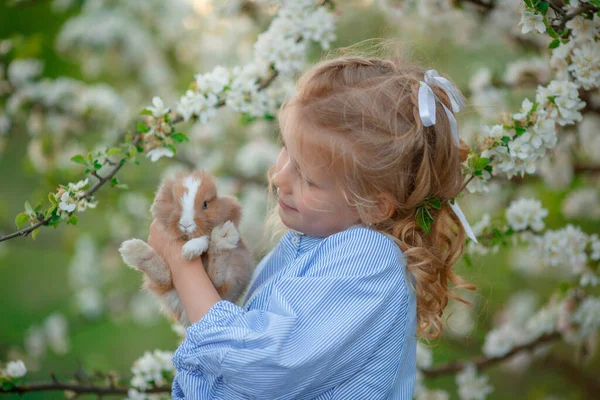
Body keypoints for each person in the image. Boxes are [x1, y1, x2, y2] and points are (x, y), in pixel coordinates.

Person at [147, 50, 477, 399]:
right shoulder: (321, 242)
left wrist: (181, 264)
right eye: (286, 150)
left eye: (308, 177)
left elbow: (262, 365)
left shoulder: (368, 259)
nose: (280, 177)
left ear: (375, 205)